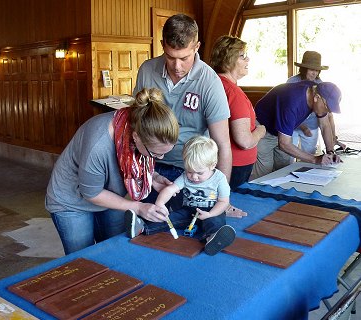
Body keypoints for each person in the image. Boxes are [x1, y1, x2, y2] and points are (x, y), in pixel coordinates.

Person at [45, 88, 179, 254]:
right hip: (72, 201)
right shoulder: (99, 144)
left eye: (165, 152)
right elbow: (91, 193)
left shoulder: (139, 125)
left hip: (108, 192)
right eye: (155, 154)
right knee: (82, 260)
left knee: (114, 250)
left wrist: (154, 178)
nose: (160, 157)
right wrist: (138, 207)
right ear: (136, 137)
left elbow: (138, 160)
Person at [133, 14, 232, 212]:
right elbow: (135, 125)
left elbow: (222, 144)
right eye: (170, 57)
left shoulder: (210, 82)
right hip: (151, 166)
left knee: (188, 229)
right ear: (162, 45)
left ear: (197, 47)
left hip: (191, 171)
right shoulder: (147, 70)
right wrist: (144, 171)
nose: (177, 67)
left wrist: (221, 196)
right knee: (150, 227)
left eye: (184, 58)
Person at [125, 136, 236, 256]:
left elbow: (223, 202)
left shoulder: (219, 179)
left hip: (210, 211)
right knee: (168, 218)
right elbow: (170, 189)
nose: (193, 177)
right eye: (189, 171)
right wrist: (160, 204)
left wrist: (210, 214)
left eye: (199, 173)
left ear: (212, 165)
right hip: (188, 211)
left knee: (215, 222)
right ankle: (141, 228)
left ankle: (213, 239)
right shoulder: (184, 176)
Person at [252, 81, 342, 179]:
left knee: (283, 169)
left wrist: (330, 153)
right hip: (263, 128)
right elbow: (284, 144)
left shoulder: (315, 90)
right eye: (327, 107)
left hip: (280, 130)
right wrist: (315, 159)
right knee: (264, 171)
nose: (328, 112)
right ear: (316, 98)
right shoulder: (293, 102)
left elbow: (325, 125)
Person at [210, 35, 266, 190]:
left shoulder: (213, 84)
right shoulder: (233, 93)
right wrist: (261, 130)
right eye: (242, 56)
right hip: (235, 165)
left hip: (216, 161)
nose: (248, 60)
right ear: (229, 60)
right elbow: (244, 141)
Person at [287, 51, 346, 154]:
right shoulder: (292, 82)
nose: (314, 73)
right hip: (292, 126)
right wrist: (303, 127)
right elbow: (287, 110)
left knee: (309, 157)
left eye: (317, 70)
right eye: (311, 70)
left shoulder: (320, 84)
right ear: (304, 69)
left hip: (312, 127)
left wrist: (333, 138)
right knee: (287, 158)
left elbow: (329, 115)